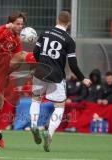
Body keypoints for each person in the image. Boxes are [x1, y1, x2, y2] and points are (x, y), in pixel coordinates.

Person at [30, 11, 91, 152]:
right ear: (68, 23)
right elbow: (73, 64)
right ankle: (49, 134)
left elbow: (35, 53)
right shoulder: (69, 40)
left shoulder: (45, 32)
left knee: (36, 100)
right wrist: (83, 79)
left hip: (40, 71)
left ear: (57, 19)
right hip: (56, 76)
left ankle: (33, 125)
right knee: (59, 107)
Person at [0, 11, 28, 148]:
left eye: (22, 24)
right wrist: (5, 27)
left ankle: (40, 58)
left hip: (5, 68)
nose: (20, 26)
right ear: (11, 23)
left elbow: (19, 55)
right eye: (18, 24)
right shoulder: (1, 30)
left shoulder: (17, 38)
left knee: (22, 55)